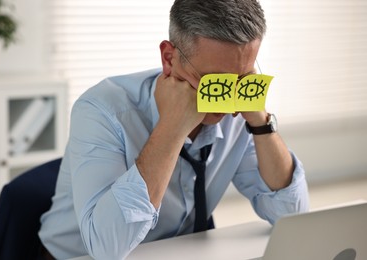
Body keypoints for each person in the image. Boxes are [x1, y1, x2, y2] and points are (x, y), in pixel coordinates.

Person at [39, 0, 309, 259]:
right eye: (215, 83)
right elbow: (106, 247)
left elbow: (291, 214)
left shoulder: (240, 108)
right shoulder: (101, 110)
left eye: (244, 78)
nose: (229, 101)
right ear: (169, 58)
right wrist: (171, 129)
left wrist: (260, 122)